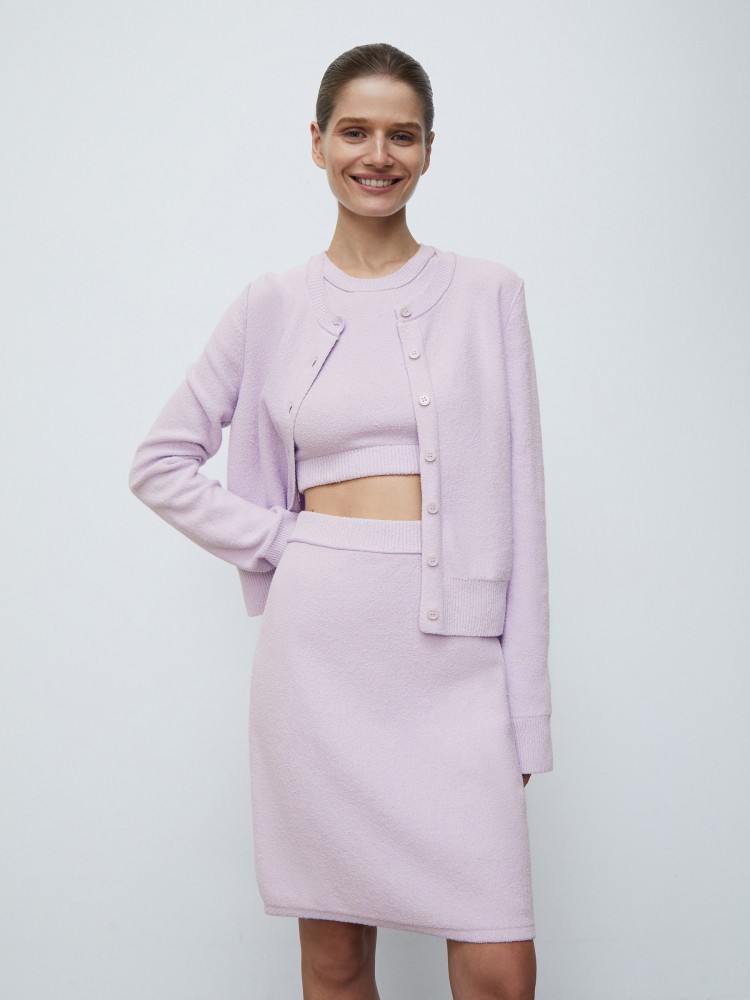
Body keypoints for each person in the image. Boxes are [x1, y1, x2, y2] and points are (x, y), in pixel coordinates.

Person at [129, 41, 552, 1000]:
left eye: (403, 135)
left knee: (498, 966)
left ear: (430, 149)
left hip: (456, 661)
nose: (378, 155)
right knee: (333, 961)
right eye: (355, 132)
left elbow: (524, 513)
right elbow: (159, 462)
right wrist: (284, 540)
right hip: (317, 663)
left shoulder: (490, 293)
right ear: (316, 143)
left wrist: (526, 716)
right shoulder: (271, 305)